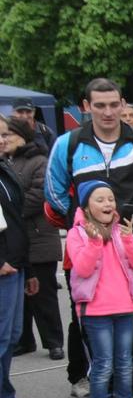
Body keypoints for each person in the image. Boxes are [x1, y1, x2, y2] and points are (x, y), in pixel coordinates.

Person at [45, 77, 133, 398]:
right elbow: (54, 194)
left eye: (114, 104)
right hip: (87, 254)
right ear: (86, 107)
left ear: (123, 103)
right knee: (90, 325)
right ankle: (107, 390)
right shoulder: (67, 144)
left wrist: (132, 225)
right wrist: (84, 226)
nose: (108, 111)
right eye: (99, 105)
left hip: (131, 250)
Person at [66, 181, 133, 398]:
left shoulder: (120, 231)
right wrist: (93, 242)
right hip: (95, 311)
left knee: (125, 363)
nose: (107, 204)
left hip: (125, 307)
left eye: (110, 199)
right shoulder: (76, 234)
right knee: (103, 366)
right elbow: (82, 269)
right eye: (100, 199)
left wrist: (129, 238)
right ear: (86, 206)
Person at [5, 117, 64, 360]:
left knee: (44, 296)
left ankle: (54, 343)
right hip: (16, 242)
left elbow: (39, 196)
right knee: (22, 299)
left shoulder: (39, 161)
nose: (4, 140)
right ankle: (24, 341)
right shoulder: (6, 163)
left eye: (9, 135)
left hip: (39, 239)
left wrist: (9, 209)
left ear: (22, 136)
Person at [0, 117, 39, 398]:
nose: (3, 140)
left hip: (14, 265)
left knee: (10, 337)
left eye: (5, 134)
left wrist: (25, 266)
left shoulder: (5, 167)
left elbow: (15, 220)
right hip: (2, 266)